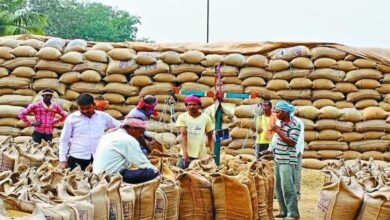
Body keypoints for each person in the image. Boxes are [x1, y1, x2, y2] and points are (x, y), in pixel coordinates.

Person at [59, 93, 120, 170]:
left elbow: (119, 126)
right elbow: (64, 139)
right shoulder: (72, 118)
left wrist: (110, 133)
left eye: (88, 108)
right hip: (77, 157)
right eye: (81, 108)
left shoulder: (103, 116)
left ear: (94, 105)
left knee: (99, 181)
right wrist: (63, 160)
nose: (85, 111)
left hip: (98, 157)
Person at [93, 117, 159, 184]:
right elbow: (142, 163)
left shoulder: (108, 135)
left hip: (97, 174)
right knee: (151, 172)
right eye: (140, 132)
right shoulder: (128, 139)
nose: (141, 135)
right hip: (111, 176)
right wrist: (157, 171)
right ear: (132, 129)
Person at [266, 100, 301, 220]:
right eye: (275, 111)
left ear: (285, 112)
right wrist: (270, 150)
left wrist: (278, 130)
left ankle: (293, 213)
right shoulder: (281, 123)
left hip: (287, 159)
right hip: (279, 158)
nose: (276, 114)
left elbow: (292, 142)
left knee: (288, 187)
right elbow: (277, 139)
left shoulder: (295, 124)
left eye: (278, 111)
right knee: (279, 187)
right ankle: (283, 211)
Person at [175, 95, 214, 169]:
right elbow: (183, 135)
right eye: (189, 105)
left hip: (201, 154)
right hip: (185, 154)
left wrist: (212, 152)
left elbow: (210, 136)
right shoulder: (182, 117)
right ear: (186, 106)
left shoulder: (206, 118)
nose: (191, 107)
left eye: (194, 104)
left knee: (199, 176)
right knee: (179, 173)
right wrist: (185, 153)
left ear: (199, 106)